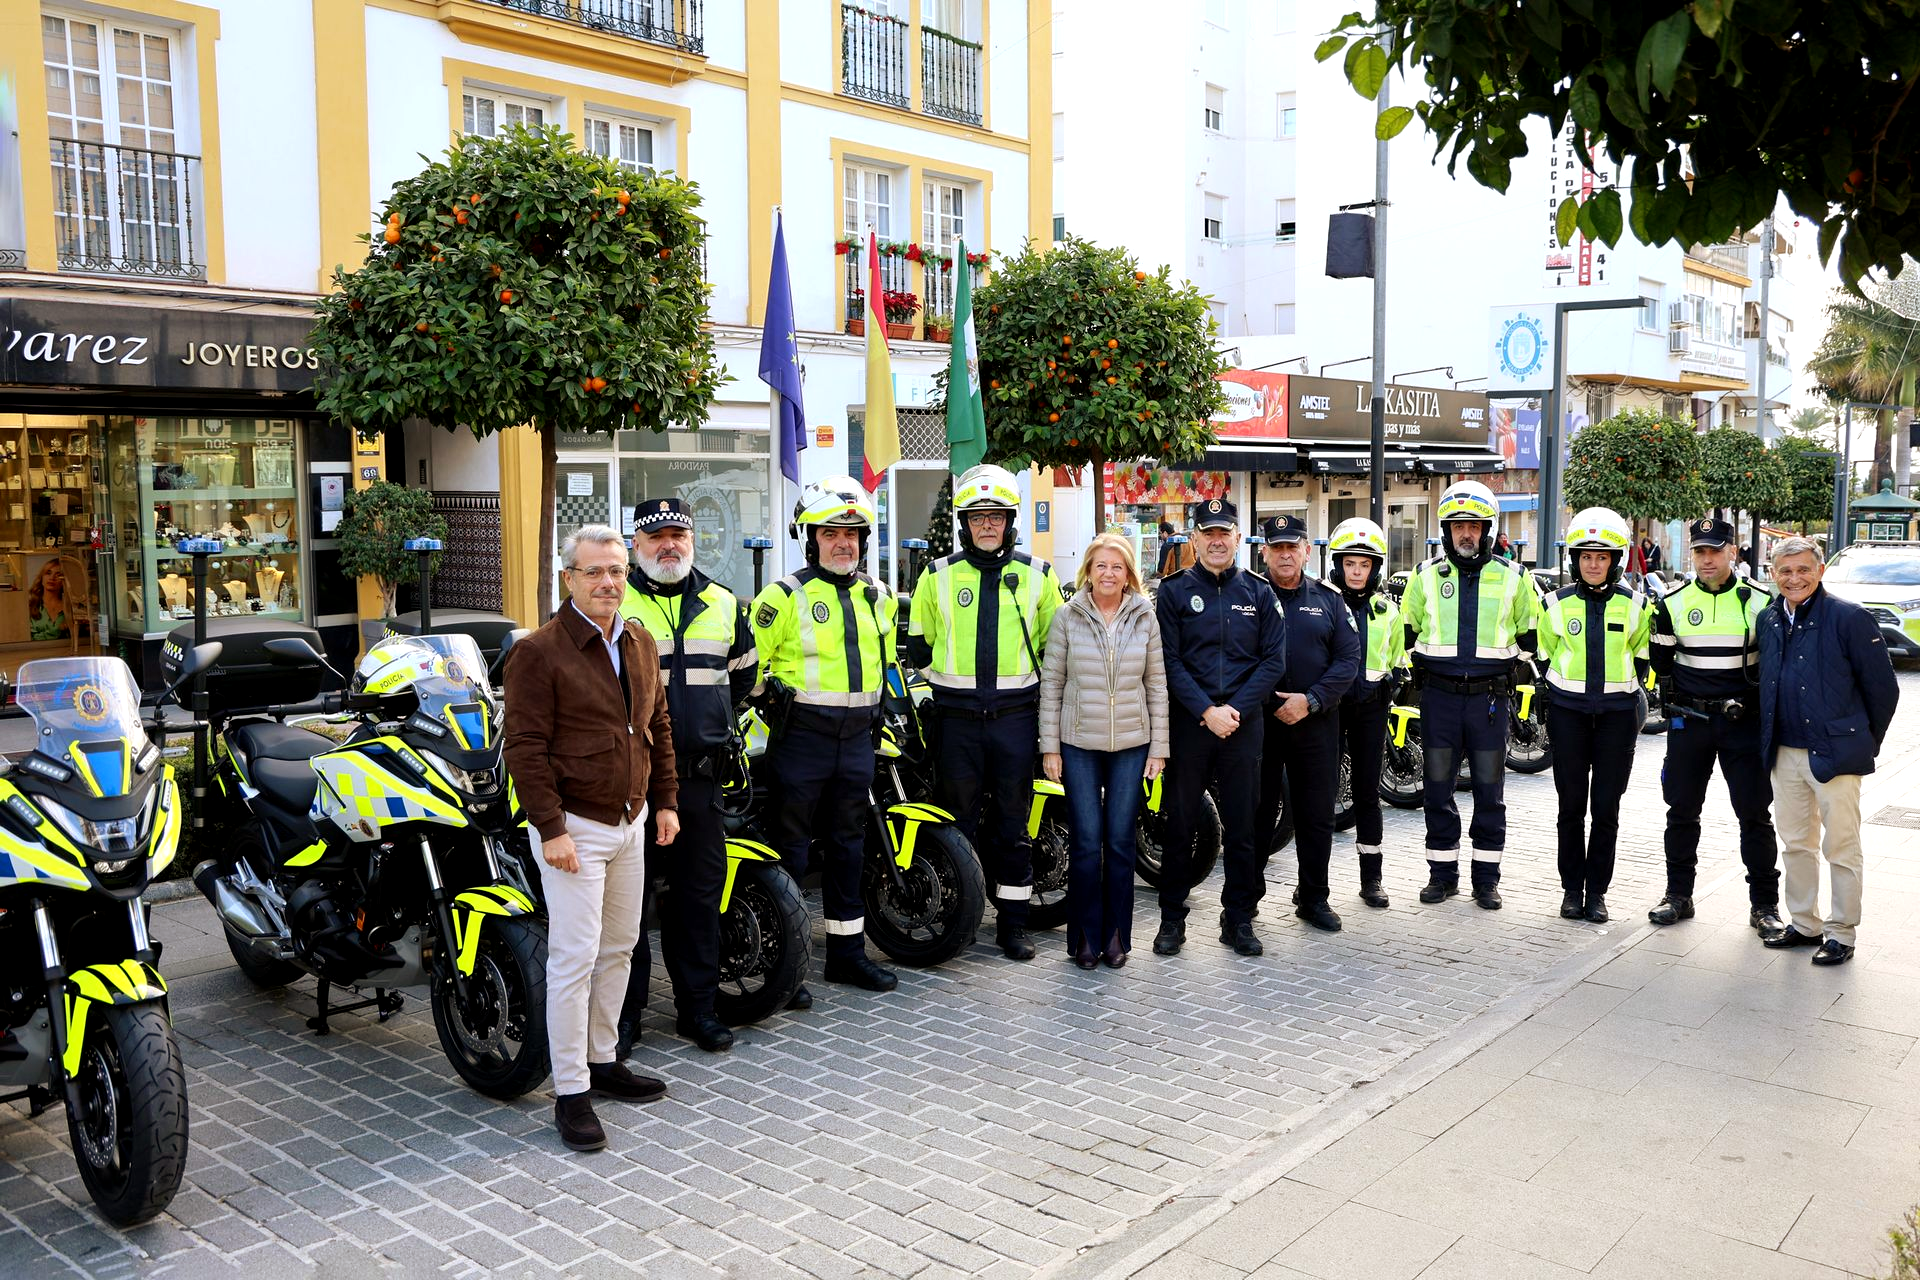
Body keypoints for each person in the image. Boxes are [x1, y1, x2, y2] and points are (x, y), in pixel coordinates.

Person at [503, 524, 679, 1153]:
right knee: (574, 958)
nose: (608, 582)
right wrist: (550, 828)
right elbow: (524, 747)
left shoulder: (638, 639)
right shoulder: (539, 651)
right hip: (574, 827)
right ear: (569, 578)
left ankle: (603, 1060)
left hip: (631, 820)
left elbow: (657, 724)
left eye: (616, 571)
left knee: (620, 947)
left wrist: (666, 801)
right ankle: (571, 1091)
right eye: (594, 572)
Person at [616, 499, 758, 1057]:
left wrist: (709, 724)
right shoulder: (613, 601)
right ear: (637, 545)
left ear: (692, 540)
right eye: (656, 537)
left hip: (699, 780)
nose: (668, 545)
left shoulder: (723, 602)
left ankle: (697, 1009)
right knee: (627, 904)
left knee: (698, 899)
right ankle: (624, 1018)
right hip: (633, 782)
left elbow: (743, 679)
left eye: (677, 534)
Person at [906, 463, 1063, 961]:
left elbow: (1053, 650)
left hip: (1016, 721)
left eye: (996, 516)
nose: (988, 525)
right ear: (965, 524)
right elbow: (920, 647)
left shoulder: (1038, 575)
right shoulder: (937, 575)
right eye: (978, 517)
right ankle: (964, 920)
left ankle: (1013, 926)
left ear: (1010, 521)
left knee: (1014, 826)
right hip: (956, 722)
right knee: (958, 826)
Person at [750, 475, 899, 997]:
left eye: (851, 534)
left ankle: (847, 956)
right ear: (810, 538)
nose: (843, 543)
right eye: (830, 533)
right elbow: (747, 664)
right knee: (790, 851)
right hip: (803, 741)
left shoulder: (879, 595)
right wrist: (768, 699)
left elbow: (886, 664)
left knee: (848, 848)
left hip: (858, 740)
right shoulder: (782, 596)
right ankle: (787, 965)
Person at [1153, 497, 1287, 957]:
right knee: (1180, 824)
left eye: (1223, 533)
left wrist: (1234, 710)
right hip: (1191, 724)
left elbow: (1273, 662)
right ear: (1194, 539)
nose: (1216, 541)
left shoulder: (1259, 592)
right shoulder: (1173, 592)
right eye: (1207, 533)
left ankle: (1238, 920)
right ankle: (1172, 919)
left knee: (1243, 827)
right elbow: (1168, 661)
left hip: (1242, 725)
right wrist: (1206, 710)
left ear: (1237, 538)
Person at [1758, 536, 1900, 965]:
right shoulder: (1769, 619)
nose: (1794, 578)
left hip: (1835, 754)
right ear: (1773, 574)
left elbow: (1883, 690)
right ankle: (1804, 923)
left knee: (1841, 846)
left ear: (1820, 570)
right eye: (1785, 571)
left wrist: (1861, 743)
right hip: (1785, 752)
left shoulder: (1849, 618)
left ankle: (1841, 932)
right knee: (1795, 844)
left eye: (1803, 569)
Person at [1400, 479, 1541, 910]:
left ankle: (1486, 881)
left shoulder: (1515, 577)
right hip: (1439, 700)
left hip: (1489, 703)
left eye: (1474, 526)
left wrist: (1502, 670)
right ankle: (1442, 877)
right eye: (1458, 526)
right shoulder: (1424, 576)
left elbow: (1531, 636)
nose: (1466, 534)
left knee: (1489, 792)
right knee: (1437, 789)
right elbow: (1408, 634)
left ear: (1487, 530)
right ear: (1446, 531)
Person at [1038, 532, 1168, 969]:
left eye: (1117, 566)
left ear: (1128, 573)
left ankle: (1115, 936)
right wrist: (1050, 747)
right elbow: (1052, 684)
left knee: (1119, 842)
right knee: (1086, 842)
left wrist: (1159, 748)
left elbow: (1157, 685)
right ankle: (1084, 937)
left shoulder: (1145, 616)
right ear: (1088, 572)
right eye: (1101, 566)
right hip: (1078, 744)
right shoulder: (1067, 616)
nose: (1109, 574)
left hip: (1132, 744)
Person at [1645, 518, 1782, 933]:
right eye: (1700, 551)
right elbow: (1661, 665)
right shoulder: (1671, 603)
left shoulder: (1760, 601)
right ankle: (1678, 896)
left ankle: (1765, 906)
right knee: (1681, 811)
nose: (1707, 559)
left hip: (1743, 723)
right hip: (1690, 722)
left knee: (1754, 814)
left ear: (1732, 552)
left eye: (1715, 551)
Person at [1537, 508, 1654, 923]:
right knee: (1570, 808)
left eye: (1601, 557)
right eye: (1586, 556)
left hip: (1616, 719)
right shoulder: (1553, 604)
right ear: (1575, 559)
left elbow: (1642, 659)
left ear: (1615, 561)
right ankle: (1572, 891)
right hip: (1568, 715)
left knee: (1606, 810)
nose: (1593, 564)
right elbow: (1546, 654)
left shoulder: (1637, 605)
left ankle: (1597, 893)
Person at [1253, 514, 1359, 931]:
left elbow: (1348, 659)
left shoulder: (1329, 599)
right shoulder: (1249, 595)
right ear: (1264, 552)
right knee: (1256, 814)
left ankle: (1313, 898)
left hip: (1316, 723)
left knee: (1316, 815)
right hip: (1261, 723)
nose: (1285, 555)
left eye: (1292, 547)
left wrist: (1310, 700)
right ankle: (1245, 900)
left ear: (1306, 551)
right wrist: (1269, 700)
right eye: (1277, 547)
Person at [1327, 517, 1403, 909]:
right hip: (1329, 710)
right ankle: (1312, 883)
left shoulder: (1388, 611)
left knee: (1367, 793)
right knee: (1321, 793)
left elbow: (1396, 659)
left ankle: (1371, 879)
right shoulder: (1324, 604)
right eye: (1350, 564)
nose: (1356, 572)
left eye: (1364, 564)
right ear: (1337, 565)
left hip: (1371, 709)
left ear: (1375, 569)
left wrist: (1388, 687)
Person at [28, 559, 69, 641]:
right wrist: (58, 630)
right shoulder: (30, 606)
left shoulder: (70, 608)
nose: (52, 578)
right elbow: (29, 638)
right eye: (48, 573)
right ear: (41, 578)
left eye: (58, 575)